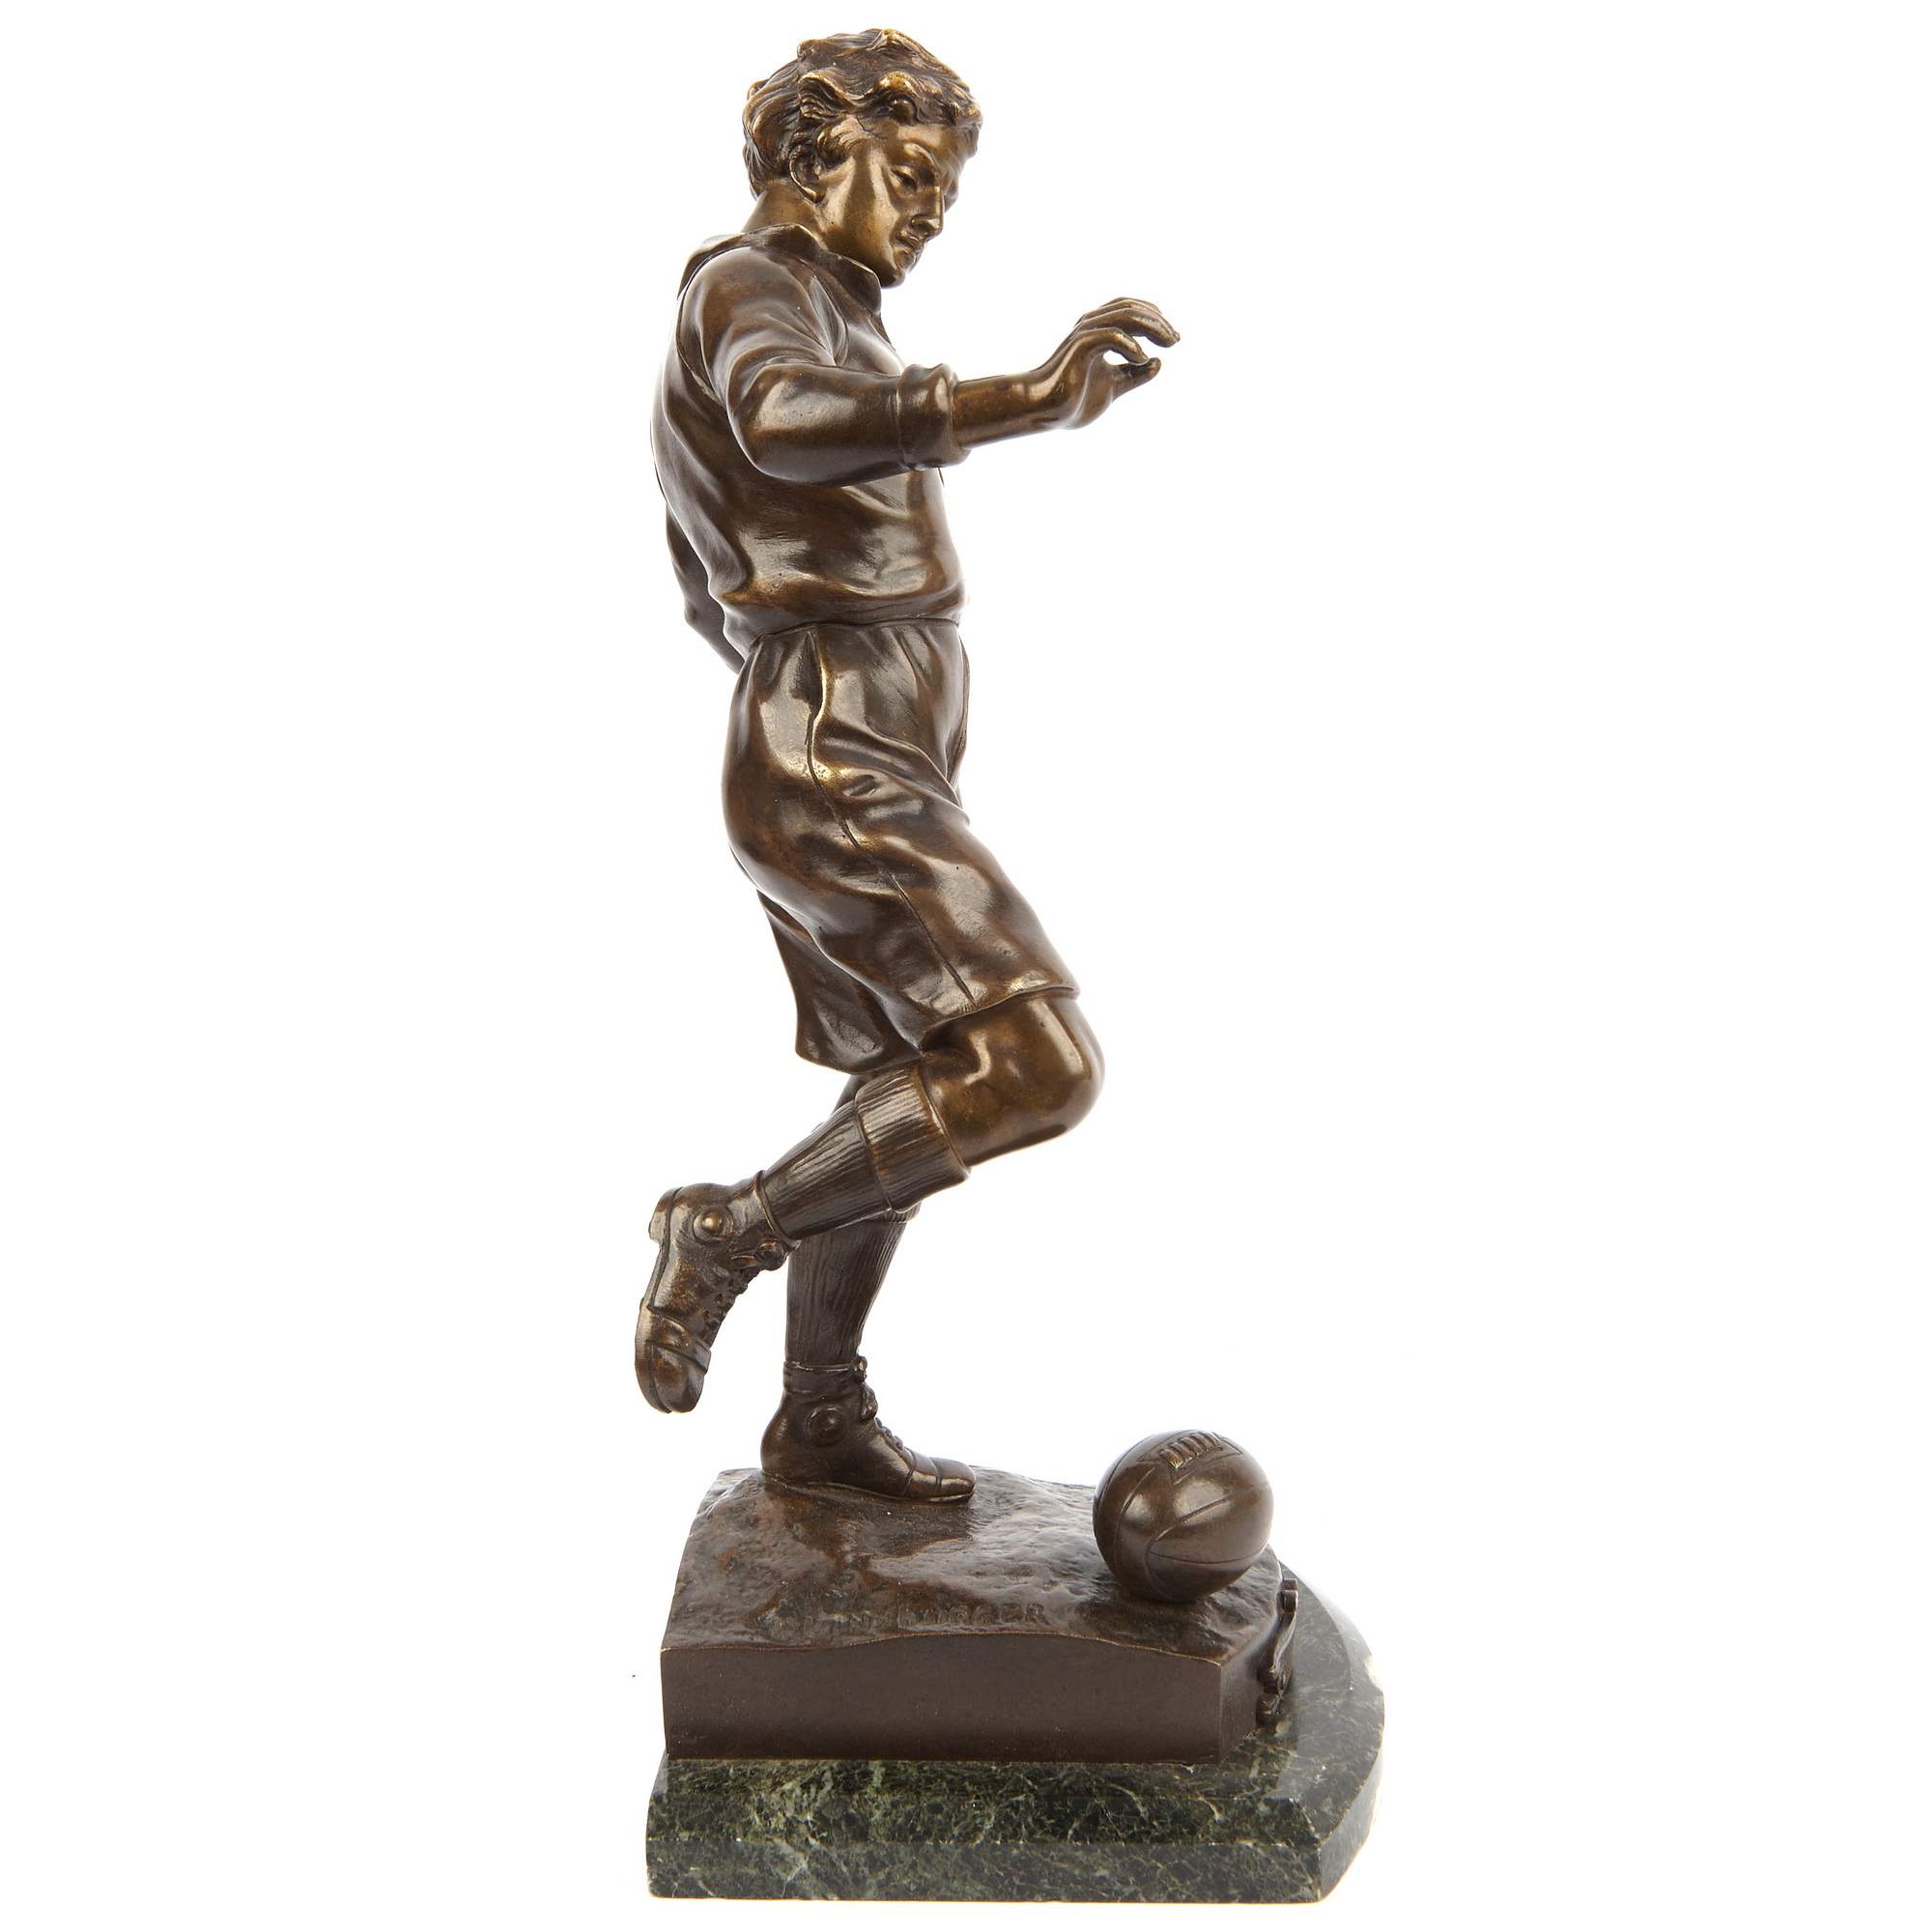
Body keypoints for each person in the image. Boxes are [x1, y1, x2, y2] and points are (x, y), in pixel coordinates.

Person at [641, 29, 1178, 1502]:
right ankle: (728, 1230)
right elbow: (782, 424)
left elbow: (700, 583)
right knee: (1033, 1065)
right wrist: (1021, 400)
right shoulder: (749, 287)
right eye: (919, 171)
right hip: (836, 735)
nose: (936, 207)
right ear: (822, 152)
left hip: (845, 726)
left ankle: (821, 1414)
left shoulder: (824, 306)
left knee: (903, 1086)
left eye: (948, 183)